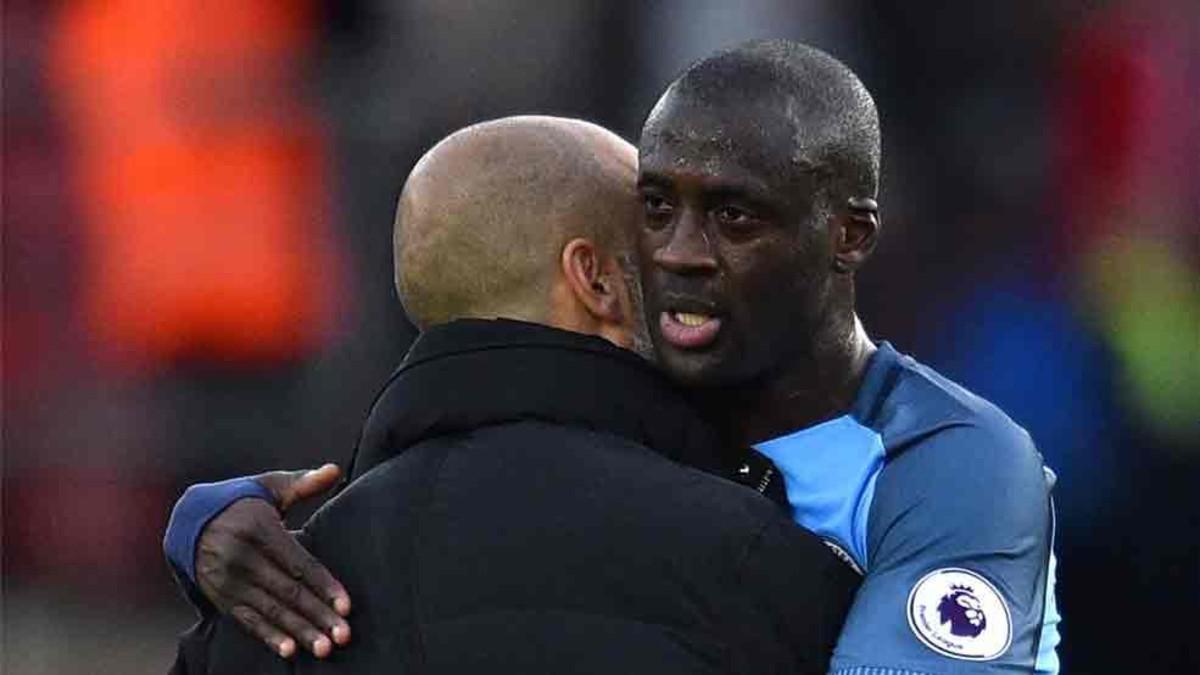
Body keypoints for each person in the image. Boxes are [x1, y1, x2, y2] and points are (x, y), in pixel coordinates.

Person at [166, 41, 1061, 674]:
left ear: (849, 236)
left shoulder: (950, 463)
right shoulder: (662, 426)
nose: (678, 253)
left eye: (733, 216)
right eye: (656, 211)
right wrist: (204, 522)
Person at [168, 115, 859, 674]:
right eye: (655, 234)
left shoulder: (273, 611)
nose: (687, 264)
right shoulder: (755, 561)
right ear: (595, 280)